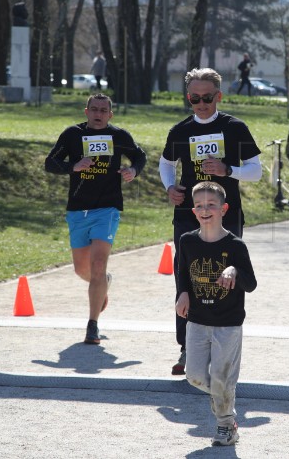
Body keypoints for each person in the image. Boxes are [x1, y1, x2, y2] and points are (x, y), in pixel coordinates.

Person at [160, 67, 262, 375]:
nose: (201, 103)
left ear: (218, 96)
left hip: (226, 215)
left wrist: (227, 170)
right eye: (195, 97)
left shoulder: (235, 127)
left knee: (226, 277)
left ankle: (224, 344)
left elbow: (256, 170)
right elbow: (166, 165)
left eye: (207, 97)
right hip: (189, 215)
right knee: (187, 276)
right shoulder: (180, 130)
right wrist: (170, 187)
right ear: (188, 98)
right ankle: (187, 347)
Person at [45, 94, 147, 345]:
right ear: (86, 111)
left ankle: (92, 325)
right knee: (83, 269)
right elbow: (50, 163)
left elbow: (140, 156)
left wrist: (132, 170)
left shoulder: (119, 136)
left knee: (98, 264)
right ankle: (103, 283)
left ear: (110, 114)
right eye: (94, 109)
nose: (98, 114)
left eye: (103, 110)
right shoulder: (72, 135)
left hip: (107, 208)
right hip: (78, 209)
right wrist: (74, 166)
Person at [175, 181, 258, 446]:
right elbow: (183, 274)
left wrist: (234, 271)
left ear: (223, 209)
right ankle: (225, 394)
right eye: (199, 205)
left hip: (228, 323)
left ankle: (226, 425)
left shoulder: (235, 246)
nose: (205, 209)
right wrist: (183, 293)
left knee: (222, 378)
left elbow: (251, 284)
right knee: (194, 376)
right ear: (193, 210)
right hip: (197, 321)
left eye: (211, 205)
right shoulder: (187, 241)